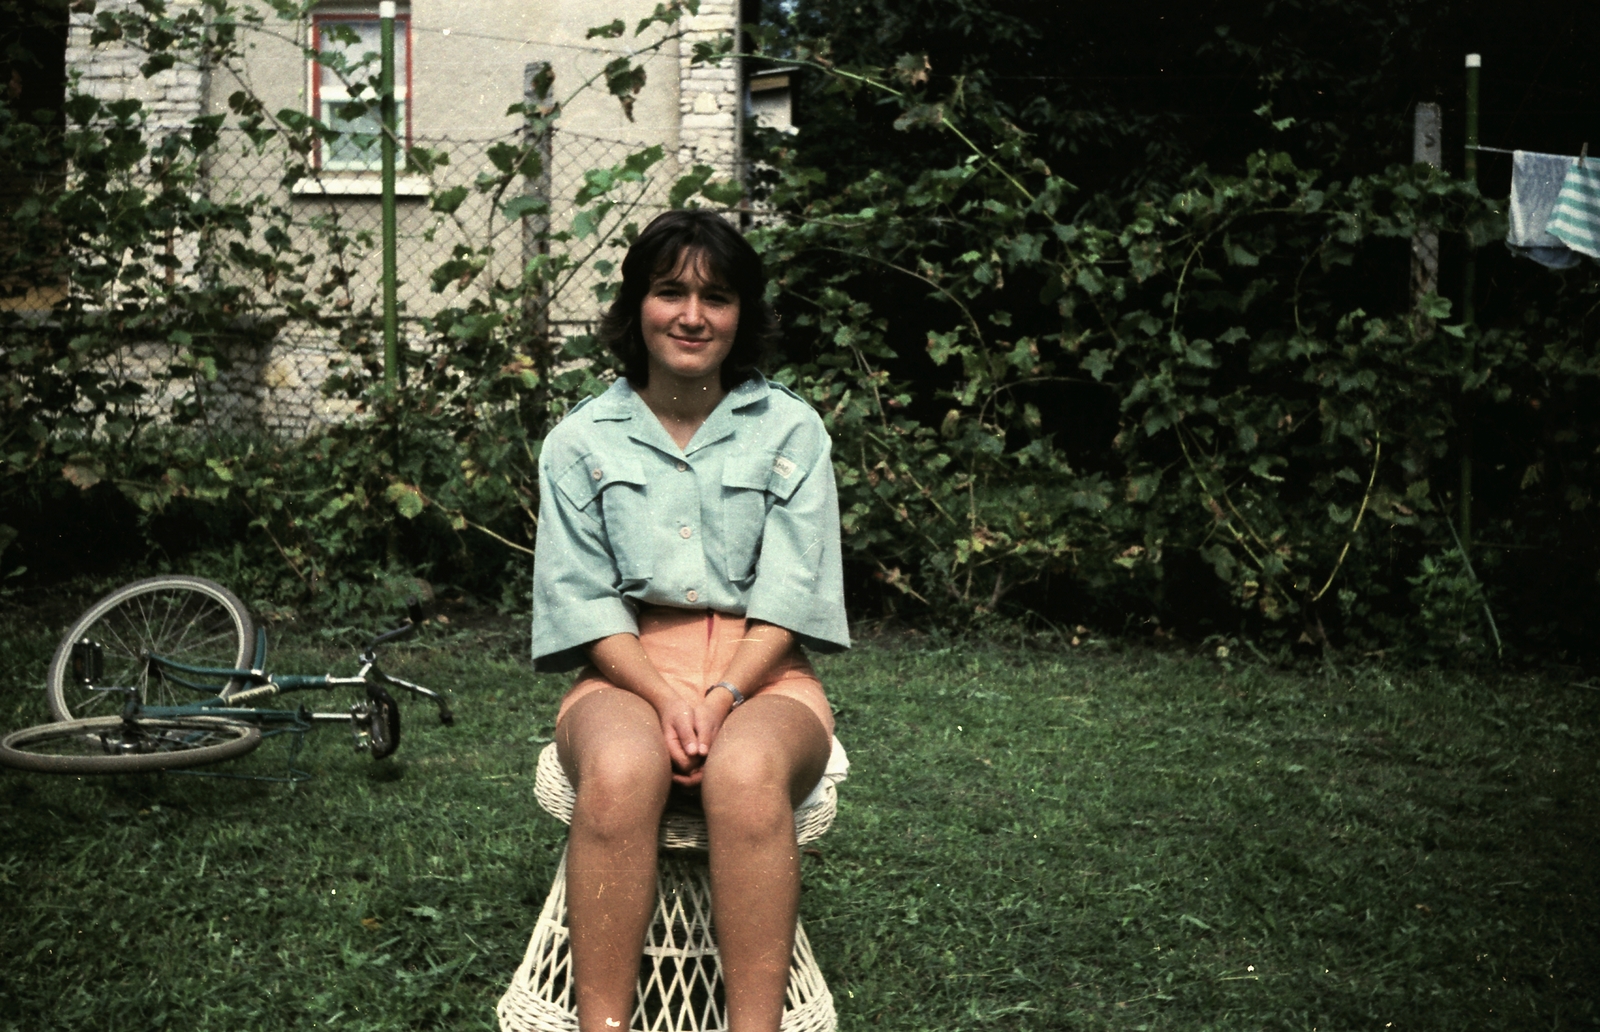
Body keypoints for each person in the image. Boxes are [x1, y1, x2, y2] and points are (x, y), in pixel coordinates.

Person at [530, 209, 850, 1032]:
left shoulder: (791, 430)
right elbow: (582, 601)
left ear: (744, 316)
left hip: (765, 671)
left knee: (745, 776)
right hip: (623, 670)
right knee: (621, 772)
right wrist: (665, 696)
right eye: (670, 291)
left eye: (717, 297)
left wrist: (719, 696)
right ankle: (602, 1024)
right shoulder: (580, 440)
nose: (692, 316)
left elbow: (790, 594)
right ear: (635, 305)